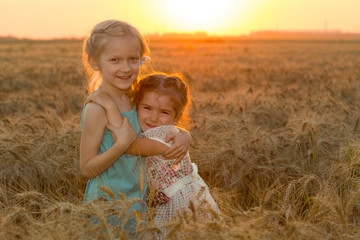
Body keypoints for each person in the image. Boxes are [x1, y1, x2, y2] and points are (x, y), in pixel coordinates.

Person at [79, 20, 190, 236]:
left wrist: (184, 134)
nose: (126, 68)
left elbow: (159, 126)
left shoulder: (136, 97)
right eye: (115, 60)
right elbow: (86, 168)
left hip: (140, 203)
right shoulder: (96, 109)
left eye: (133, 59)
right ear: (94, 62)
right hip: (108, 207)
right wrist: (121, 144)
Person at [87, 73, 220, 239]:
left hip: (178, 205)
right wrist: (186, 134)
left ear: (176, 117)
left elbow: (128, 145)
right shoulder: (171, 133)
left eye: (164, 112)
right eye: (147, 108)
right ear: (137, 106)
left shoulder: (162, 136)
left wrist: (109, 105)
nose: (153, 117)